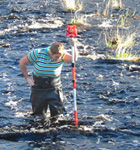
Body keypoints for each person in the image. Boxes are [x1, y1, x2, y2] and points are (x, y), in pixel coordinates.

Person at [19, 38, 78, 120]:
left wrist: (74, 45)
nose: (58, 58)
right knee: (38, 116)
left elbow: (74, 59)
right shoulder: (38, 53)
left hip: (54, 88)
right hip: (38, 88)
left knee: (57, 116)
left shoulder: (62, 55)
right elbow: (22, 62)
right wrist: (27, 78)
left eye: (59, 56)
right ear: (51, 53)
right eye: (56, 57)